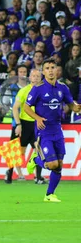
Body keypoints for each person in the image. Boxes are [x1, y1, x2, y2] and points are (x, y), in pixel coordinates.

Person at [25, 59, 81, 202]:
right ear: (43, 72)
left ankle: (49, 195)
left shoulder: (63, 88)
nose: (50, 70)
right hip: (43, 131)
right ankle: (36, 159)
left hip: (57, 130)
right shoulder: (38, 88)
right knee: (52, 164)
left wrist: (77, 107)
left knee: (59, 165)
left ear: (56, 70)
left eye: (52, 67)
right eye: (47, 68)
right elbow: (26, 107)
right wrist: (37, 118)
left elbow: (71, 105)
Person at [8, 68, 44, 184]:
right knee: (16, 150)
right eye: (33, 76)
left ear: (41, 78)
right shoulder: (23, 91)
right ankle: (9, 173)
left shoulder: (44, 92)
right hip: (23, 123)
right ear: (30, 78)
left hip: (36, 123)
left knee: (39, 149)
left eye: (38, 76)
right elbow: (15, 108)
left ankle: (38, 177)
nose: (36, 78)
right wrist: (18, 124)